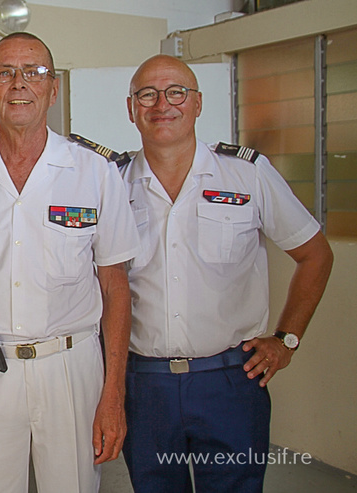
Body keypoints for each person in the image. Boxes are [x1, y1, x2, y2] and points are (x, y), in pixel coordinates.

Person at [0, 32, 140, 493]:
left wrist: (113, 393)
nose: (19, 83)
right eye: (5, 73)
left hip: (70, 368)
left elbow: (115, 286)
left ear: (53, 89)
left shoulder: (95, 171)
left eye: (34, 72)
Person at [121, 54, 334, 492]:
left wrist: (286, 339)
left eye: (176, 92)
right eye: (147, 94)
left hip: (230, 383)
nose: (162, 104)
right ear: (131, 108)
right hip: (143, 386)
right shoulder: (111, 182)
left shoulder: (246, 174)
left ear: (198, 103)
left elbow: (315, 254)